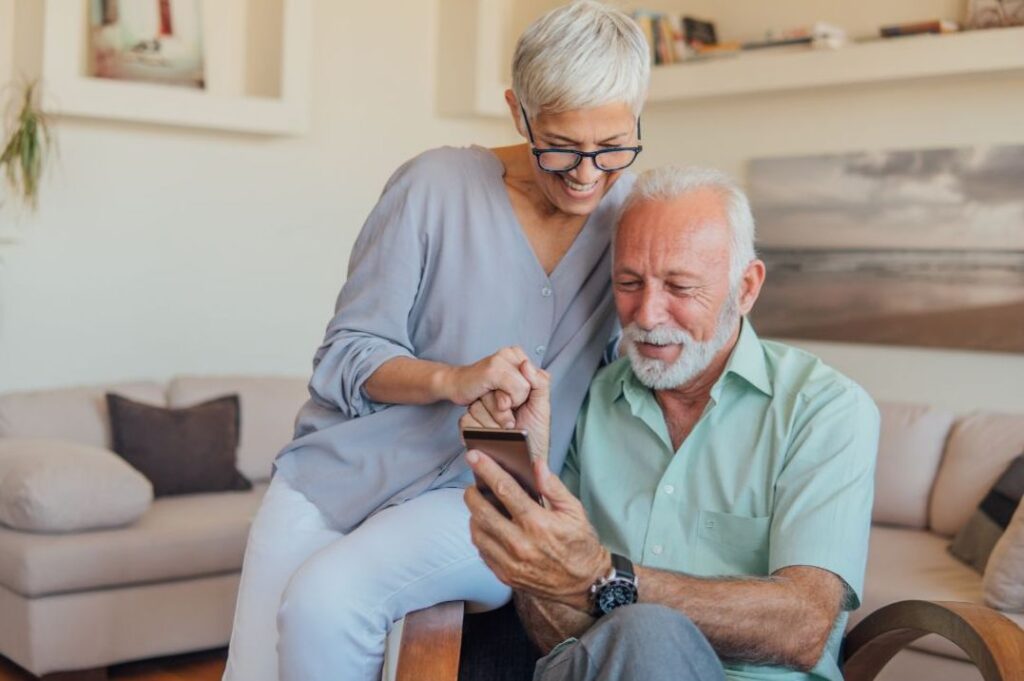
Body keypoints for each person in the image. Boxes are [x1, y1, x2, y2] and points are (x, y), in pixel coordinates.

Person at [221, 3, 651, 680]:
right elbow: (346, 355)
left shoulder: (632, 220)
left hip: (486, 495)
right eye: (562, 146)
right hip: (337, 474)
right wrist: (453, 380)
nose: (588, 174)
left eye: (614, 147)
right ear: (520, 113)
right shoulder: (433, 186)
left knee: (325, 603)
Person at [462, 166, 880, 681]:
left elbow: (803, 626)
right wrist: (526, 484)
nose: (648, 314)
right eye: (628, 283)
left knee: (648, 632)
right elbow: (556, 632)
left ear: (745, 288)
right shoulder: (589, 399)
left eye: (680, 286)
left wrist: (604, 577)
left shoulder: (825, 409)